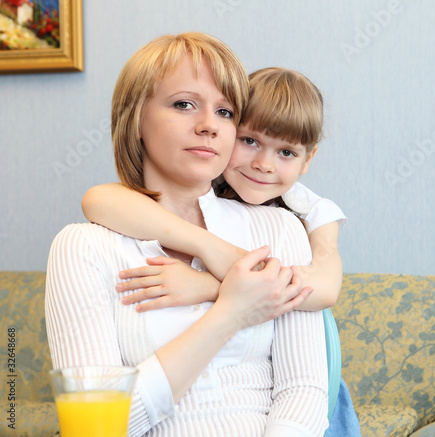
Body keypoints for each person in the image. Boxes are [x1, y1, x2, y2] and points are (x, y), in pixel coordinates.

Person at [46, 32, 329, 437]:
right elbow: (97, 427)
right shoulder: (83, 247)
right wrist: (230, 312)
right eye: (184, 104)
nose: (208, 126)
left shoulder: (278, 227)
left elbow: (304, 389)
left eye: (226, 112)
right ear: (136, 118)